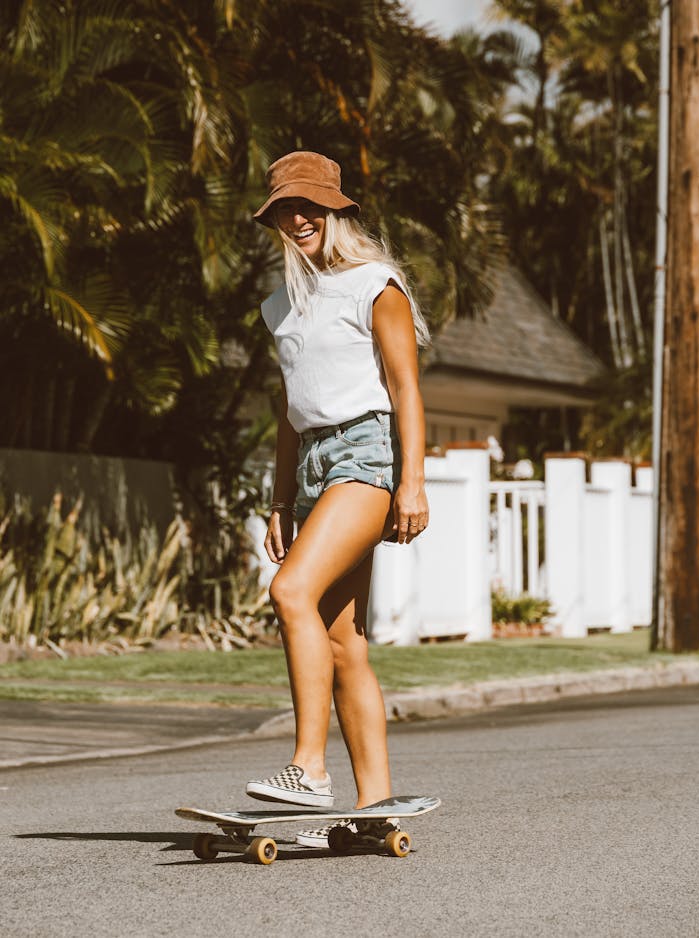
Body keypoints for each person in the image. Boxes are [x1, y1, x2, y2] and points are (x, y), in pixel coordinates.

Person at [245, 150, 430, 847]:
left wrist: (411, 480)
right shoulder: (281, 306)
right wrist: (280, 499)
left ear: (336, 210)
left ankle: (309, 768)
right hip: (316, 466)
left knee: (291, 592)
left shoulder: (374, 285)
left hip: (367, 455)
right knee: (343, 641)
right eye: (285, 210)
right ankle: (375, 801)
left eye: (310, 207)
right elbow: (288, 409)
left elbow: (407, 388)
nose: (298, 219)